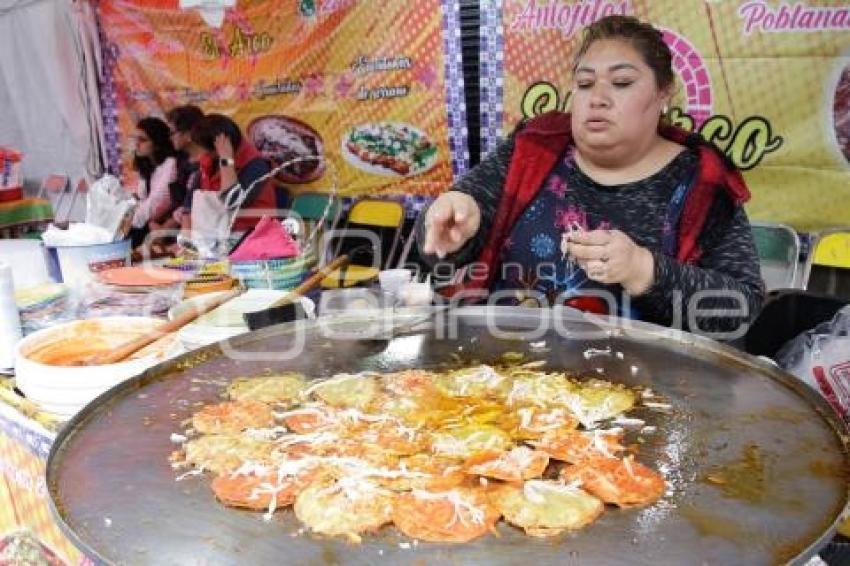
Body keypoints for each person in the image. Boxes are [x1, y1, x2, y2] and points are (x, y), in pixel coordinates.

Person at [419, 15, 764, 337]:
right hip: (503, 380)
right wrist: (450, 227)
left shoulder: (701, 184)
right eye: (584, 84)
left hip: (637, 390)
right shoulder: (531, 152)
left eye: (621, 82)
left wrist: (644, 270)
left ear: (663, 93)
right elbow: (436, 242)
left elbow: (740, 308)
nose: (597, 98)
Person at [190, 113, 277, 233]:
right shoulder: (209, 160)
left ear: (219, 146)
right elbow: (190, 199)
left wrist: (226, 159)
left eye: (204, 147)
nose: (202, 152)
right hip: (216, 231)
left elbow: (231, 201)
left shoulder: (256, 165)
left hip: (252, 233)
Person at [154, 104, 204, 241]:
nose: (169, 138)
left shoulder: (206, 164)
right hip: (181, 233)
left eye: (172, 132)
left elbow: (191, 206)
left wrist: (165, 229)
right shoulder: (181, 161)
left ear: (188, 134)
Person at [128, 117, 177, 248]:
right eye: (135, 139)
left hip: (162, 226)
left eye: (142, 140)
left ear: (157, 142)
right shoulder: (147, 165)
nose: (137, 144)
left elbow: (157, 203)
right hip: (148, 223)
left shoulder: (170, 164)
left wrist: (127, 222)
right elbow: (141, 199)